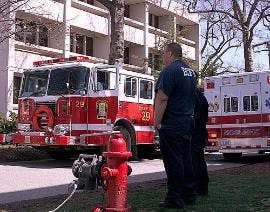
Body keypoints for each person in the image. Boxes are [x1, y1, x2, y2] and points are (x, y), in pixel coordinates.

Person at [154, 42, 197, 209]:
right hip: (187, 121)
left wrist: (157, 121)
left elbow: (162, 98)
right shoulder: (190, 73)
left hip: (172, 123)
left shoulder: (169, 71)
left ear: (170, 53)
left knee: (173, 162)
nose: (163, 57)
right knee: (186, 159)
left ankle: (174, 198)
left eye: (164, 54)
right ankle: (189, 195)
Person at [191, 80, 209, 196]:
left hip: (193, 132)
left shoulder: (191, 96)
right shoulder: (202, 97)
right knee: (200, 160)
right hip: (201, 131)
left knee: (193, 161)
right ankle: (203, 187)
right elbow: (206, 117)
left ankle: (196, 187)